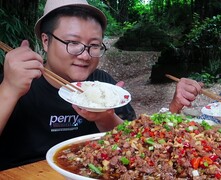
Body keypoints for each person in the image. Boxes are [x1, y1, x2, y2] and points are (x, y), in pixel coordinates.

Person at [0, 0, 136, 170]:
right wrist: (9, 90)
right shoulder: (14, 79)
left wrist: (105, 117)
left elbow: (135, 147)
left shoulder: (104, 87)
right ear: (45, 41)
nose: (85, 56)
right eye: (73, 42)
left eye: (94, 45)